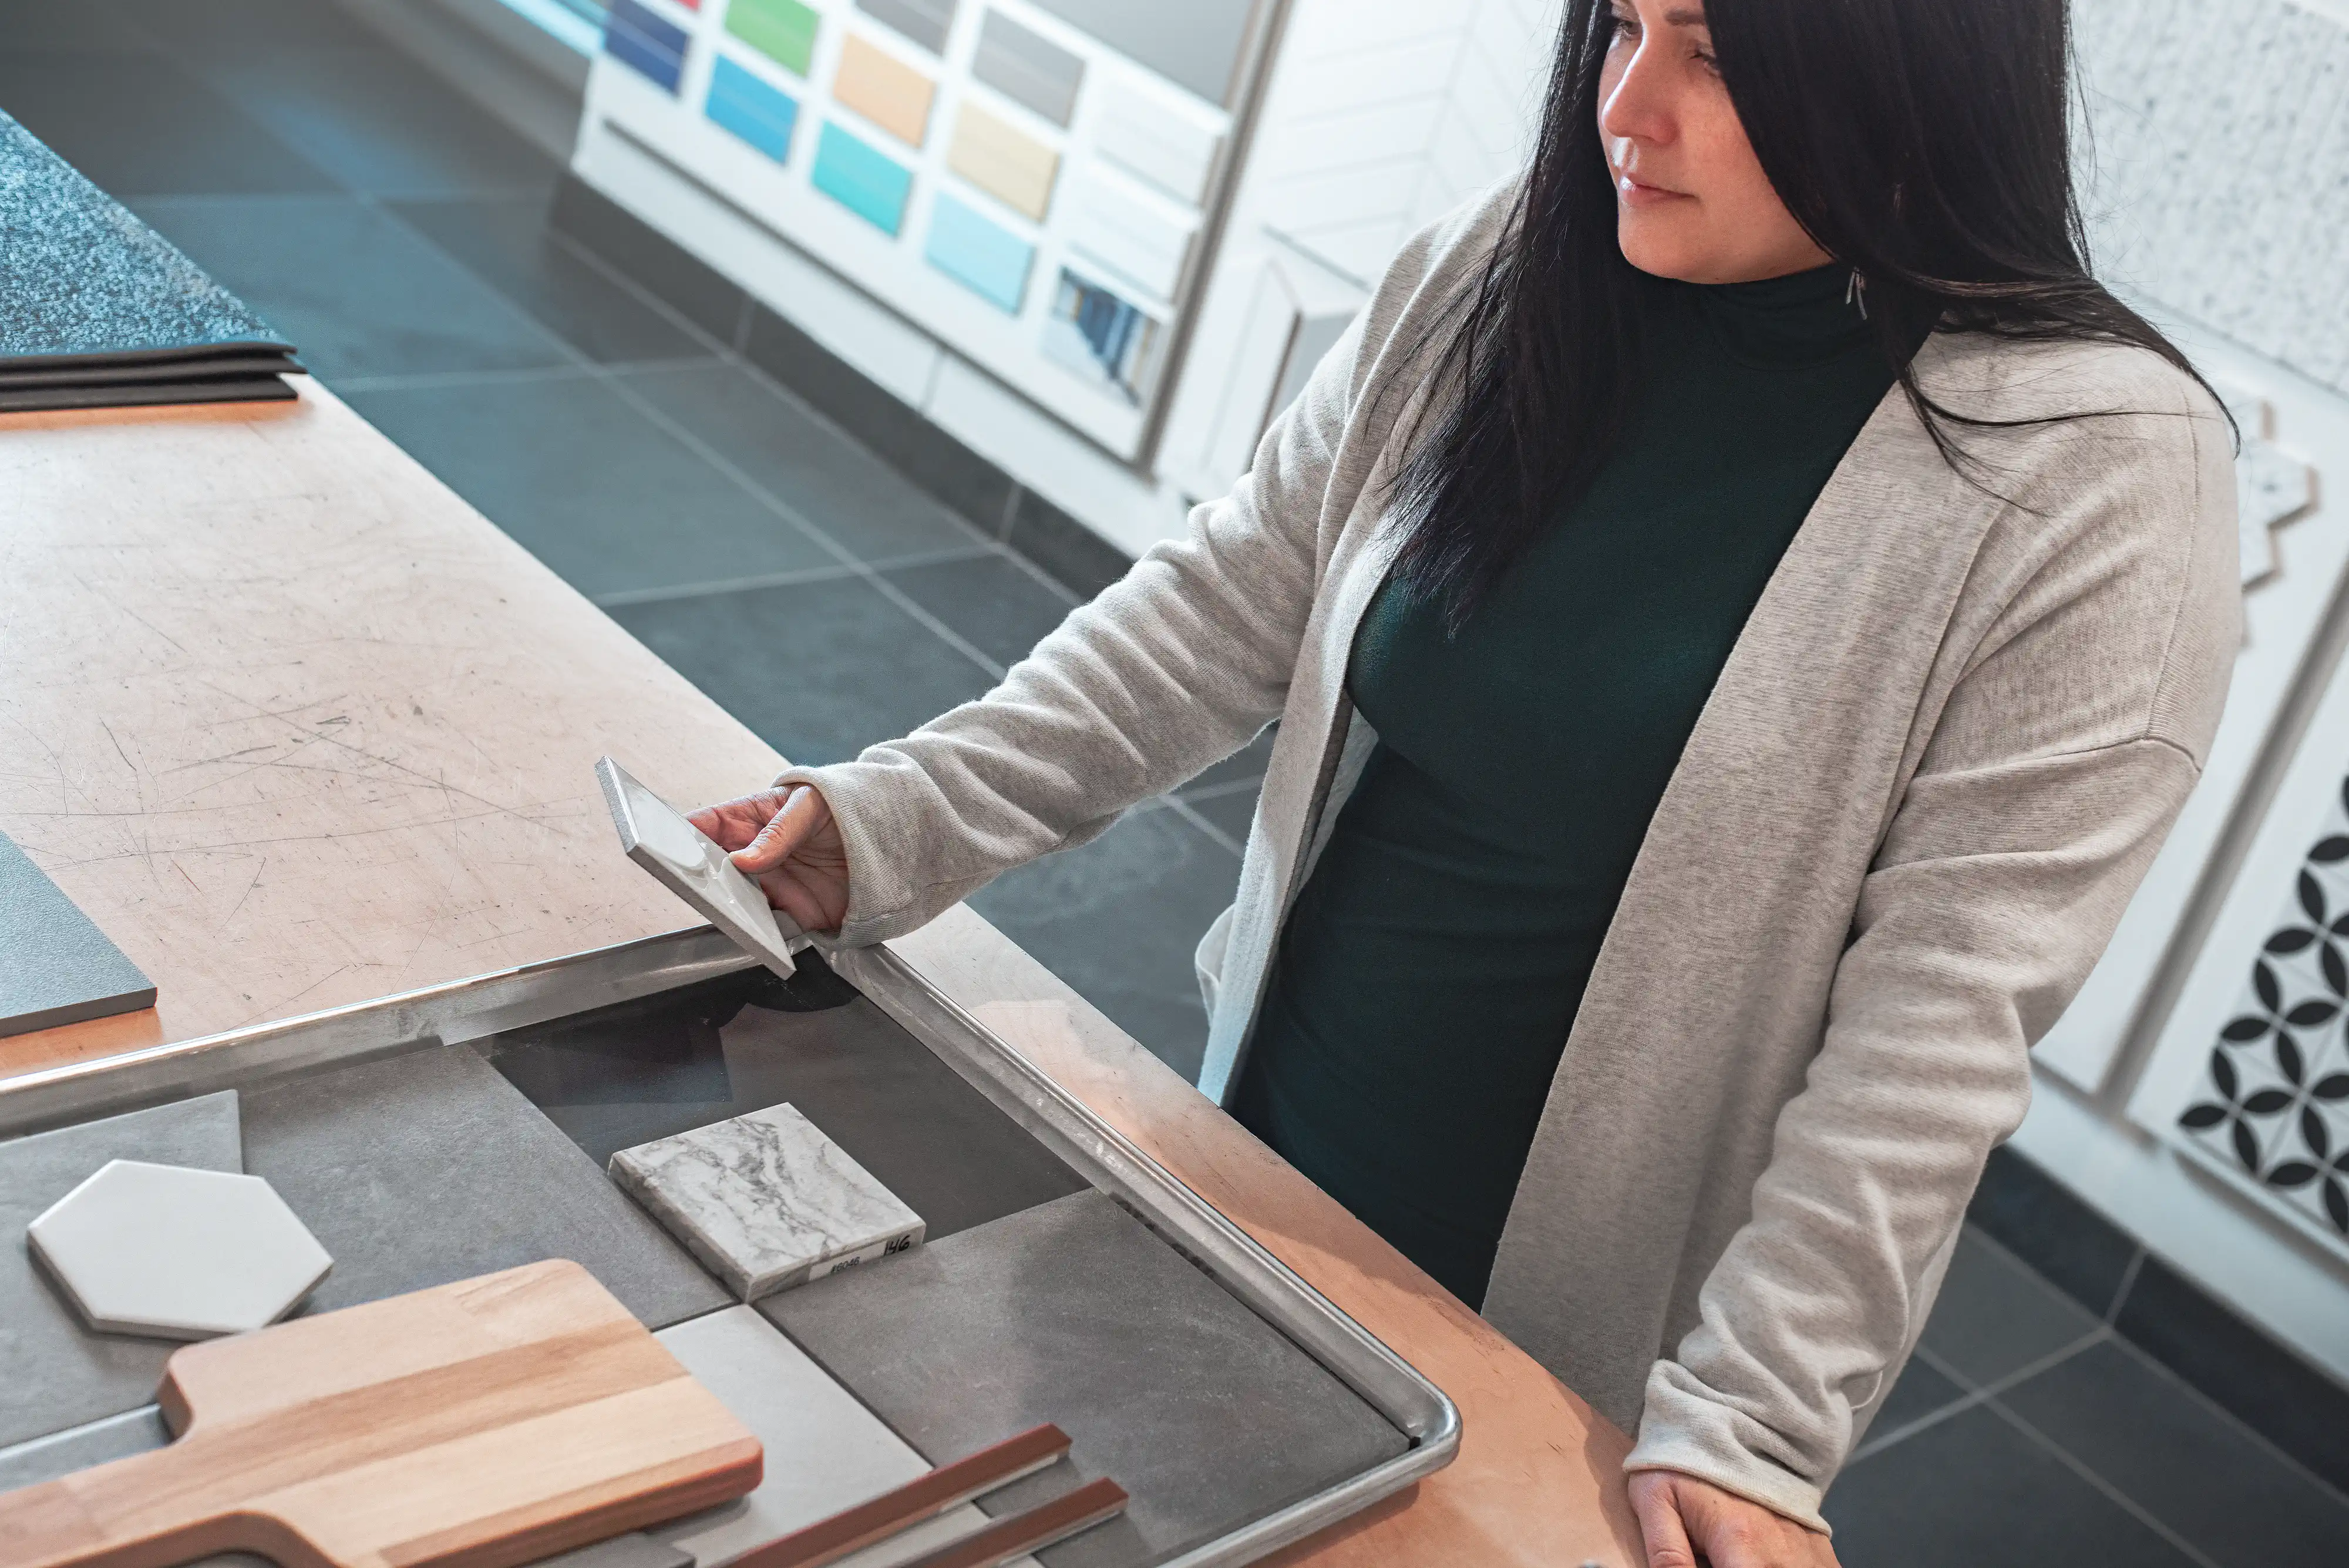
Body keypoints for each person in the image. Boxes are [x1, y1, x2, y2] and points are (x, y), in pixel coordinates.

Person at [691, 0, 2239, 1562]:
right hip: (1254, 1180)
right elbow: (1226, 598)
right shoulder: (1526, 258)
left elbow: (1933, 1034)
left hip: (1568, 1354)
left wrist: (1758, 1421)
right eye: (1622, 26)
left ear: (1906, 70)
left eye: (1714, 55)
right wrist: (895, 819)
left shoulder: (2096, 474)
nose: (1623, 109)